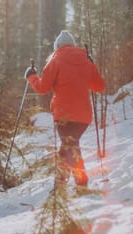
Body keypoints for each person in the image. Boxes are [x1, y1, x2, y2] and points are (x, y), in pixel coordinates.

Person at [25, 30, 105, 194]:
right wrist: (91, 64)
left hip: (64, 116)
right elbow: (100, 87)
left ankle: (80, 184)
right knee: (68, 147)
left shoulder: (55, 60)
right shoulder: (86, 61)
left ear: (57, 47)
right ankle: (60, 188)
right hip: (84, 117)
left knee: (70, 147)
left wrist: (31, 76)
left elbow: (42, 88)